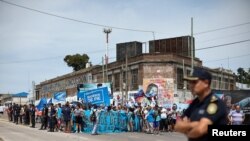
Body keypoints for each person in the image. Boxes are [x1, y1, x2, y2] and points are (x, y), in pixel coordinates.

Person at [175, 67, 227, 141]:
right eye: (190, 82)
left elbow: (200, 129)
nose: (191, 85)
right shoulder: (195, 103)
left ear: (206, 83)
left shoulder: (215, 103)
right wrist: (194, 124)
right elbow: (178, 125)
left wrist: (188, 130)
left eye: (194, 82)